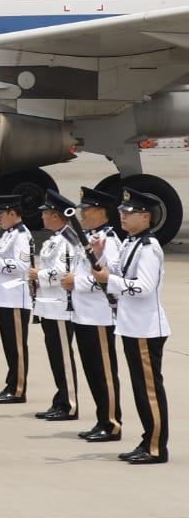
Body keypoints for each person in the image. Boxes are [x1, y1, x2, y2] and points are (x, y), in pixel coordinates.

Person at [104, 188, 168, 464]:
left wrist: (111, 280)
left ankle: (155, 446)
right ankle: (147, 440)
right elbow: (118, 272)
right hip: (131, 326)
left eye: (128, 213)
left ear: (145, 216)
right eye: (121, 212)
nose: (122, 216)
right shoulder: (130, 242)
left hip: (145, 328)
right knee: (141, 390)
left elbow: (143, 287)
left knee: (149, 390)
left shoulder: (149, 248)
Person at [68, 185, 123, 444]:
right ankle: (102, 419)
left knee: (104, 373)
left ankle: (111, 423)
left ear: (101, 212)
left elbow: (108, 278)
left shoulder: (109, 241)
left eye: (86, 210)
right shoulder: (90, 237)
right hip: (84, 314)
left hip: (100, 316)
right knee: (92, 370)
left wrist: (75, 282)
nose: (82, 214)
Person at [29, 190, 84, 423]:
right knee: (55, 355)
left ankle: (68, 403)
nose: (42, 218)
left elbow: (64, 271)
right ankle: (60, 398)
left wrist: (39, 274)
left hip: (61, 305)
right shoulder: (54, 239)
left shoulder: (69, 240)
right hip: (48, 305)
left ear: (55, 215)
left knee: (63, 356)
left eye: (46, 213)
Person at [0, 197, 35, 404]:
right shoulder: (8, 234)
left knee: (17, 346)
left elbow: (22, 267)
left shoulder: (21, 235)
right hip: (3, 296)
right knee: (9, 345)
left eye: (1, 215)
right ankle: (11, 383)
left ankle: (18, 389)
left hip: (15, 297)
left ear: (13, 213)